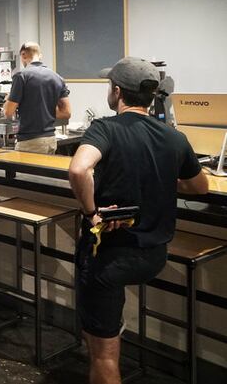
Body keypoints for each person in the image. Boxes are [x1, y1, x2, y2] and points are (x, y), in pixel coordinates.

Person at [68, 57, 209, 384]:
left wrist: (92, 213)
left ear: (117, 91)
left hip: (109, 258)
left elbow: (78, 169)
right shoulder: (174, 137)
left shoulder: (105, 128)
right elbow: (198, 186)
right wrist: (158, 178)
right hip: (154, 256)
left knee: (102, 355)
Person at [3, 41, 71, 154]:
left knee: (25, 172)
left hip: (30, 142)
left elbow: (8, 112)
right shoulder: (57, 77)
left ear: (23, 55)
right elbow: (66, 112)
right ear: (40, 55)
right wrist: (45, 110)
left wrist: (8, 98)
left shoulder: (21, 76)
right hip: (50, 140)